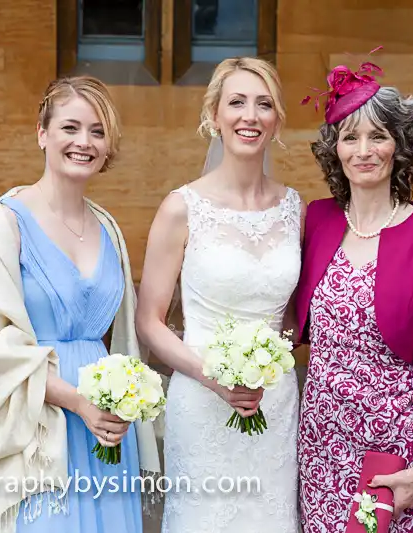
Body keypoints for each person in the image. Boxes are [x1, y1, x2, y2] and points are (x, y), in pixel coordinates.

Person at [0, 75, 161, 533]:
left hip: (107, 427)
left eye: (97, 131)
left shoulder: (109, 228)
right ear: (42, 132)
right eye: (70, 128)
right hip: (40, 422)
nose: (83, 142)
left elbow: (124, 339)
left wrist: (121, 400)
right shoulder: (3, 222)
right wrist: (77, 401)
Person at [294, 60, 413, 532]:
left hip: (395, 438)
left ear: (401, 147)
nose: (364, 150)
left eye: (378, 136)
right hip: (321, 438)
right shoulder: (317, 220)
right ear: (335, 150)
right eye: (351, 138)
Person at [135, 57, 305, 533]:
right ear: (214, 116)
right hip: (202, 399)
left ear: (276, 122)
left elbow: (292, 317)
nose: (250, 115)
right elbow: (148, 321)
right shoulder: (180, 208)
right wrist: (214, 375)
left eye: (263, 104)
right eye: (236, 102)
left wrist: (272, 356)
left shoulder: (295, 209)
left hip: (273, 403)